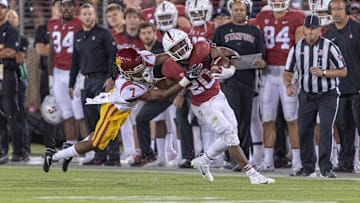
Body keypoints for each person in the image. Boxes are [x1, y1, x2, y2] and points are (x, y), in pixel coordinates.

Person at [146, 28, 275, 184]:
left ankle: (204, 160)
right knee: (229, 135)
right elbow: (166, 89)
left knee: (232, 133)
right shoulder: (170, 67)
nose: (180, 49)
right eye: (175, 48)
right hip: (203, 105)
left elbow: (230, 53)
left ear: (187, 41)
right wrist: (174, 80)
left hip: (219, 95)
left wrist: (230, 69)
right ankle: (252, 174)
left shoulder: (201, 48)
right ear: (169, 52)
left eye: (181, 44)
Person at [45, 47, 171, 171]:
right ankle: (54, 156)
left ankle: (69, 151)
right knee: (96, 142)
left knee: (99, 137)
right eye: (136, 71)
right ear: (126, 73)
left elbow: (160, 58)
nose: (141, 72)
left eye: (141, 67)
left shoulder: (143, 57)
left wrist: (180, 57)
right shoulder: (126, 86)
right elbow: (162, 94)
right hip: (113, 111)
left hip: (122, 111)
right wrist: (185, 81)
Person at [283, 14, 347, 178]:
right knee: (304, 130)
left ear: (320, 29)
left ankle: (326, 168)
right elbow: (288, 71)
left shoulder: (330, 47)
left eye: (314, 28)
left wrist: (324, 73)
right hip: (306, 95)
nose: (310, 32)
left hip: (327, 94)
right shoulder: (297, 47)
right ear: (304, 29)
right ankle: (307, 167)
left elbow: (343, 71)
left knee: (325, 128)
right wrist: (289, 85)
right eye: (308, 28)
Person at [212, 0, 266, 164]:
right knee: (231, 118)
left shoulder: (255, 31)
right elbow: (213, 53)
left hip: (248, 80)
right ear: (231, 10)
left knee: (245, 119)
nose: (238, 13)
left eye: (241, 10)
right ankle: (231, 157)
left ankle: (244, 157)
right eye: (235, 10)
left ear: (247, 10)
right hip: (228, 81)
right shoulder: (221, 30)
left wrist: (261, 63)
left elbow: (262, 56)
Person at [255, 0, 305, 172]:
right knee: (267, 119)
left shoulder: (297, 17)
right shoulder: (262, 16)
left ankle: (297, 160)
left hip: (287, 72)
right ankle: (268, 160)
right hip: (268, 72)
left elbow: (300, 47)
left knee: (292, 118)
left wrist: (294, 72)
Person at [68, 3, 118, 167]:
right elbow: (75, 61)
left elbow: (113, 56)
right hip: (86, 80)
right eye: (84, 14)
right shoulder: (78, 36)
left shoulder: (104, 34)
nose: (87, 17)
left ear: (95, 15)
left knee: (106, 118)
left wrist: (111, 77)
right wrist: (71, 83)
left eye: (90, 14)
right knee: (91, 120)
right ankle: (99, 154)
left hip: (102, 79)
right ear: (80, 17)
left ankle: (114, 155)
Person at [44, 0, 87, 172]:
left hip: (75, 72)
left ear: (74, 8)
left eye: (70, 5)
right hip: (58, 72)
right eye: (63, 5)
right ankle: (71, 148)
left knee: (79, 113)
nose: (66, 8)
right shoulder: (52, 24)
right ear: (58, 7)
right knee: (67, 113)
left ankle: (89, 150)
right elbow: (51, 51)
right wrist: (50, 76)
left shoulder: (79, 23)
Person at [325, 0, 360, 173]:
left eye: (339, 9)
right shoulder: (330, 33)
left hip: (358, 86)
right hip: (339, 88)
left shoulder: (358, 30)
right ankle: (346, 161)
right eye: (333, 9)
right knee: (343, 126)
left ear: (347, 10)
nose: (336, 12)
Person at [6, 9, 30, 162]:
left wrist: (10, 52)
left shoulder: (23, 39)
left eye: (13, 17)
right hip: (6, 79)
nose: (10, 19)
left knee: (19, 114)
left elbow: (20, 58)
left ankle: (24, 149)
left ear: (18, 20)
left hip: (18, 79)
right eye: (8, 16)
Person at [0, 0, 22, 163]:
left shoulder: (12, 30)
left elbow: (11, 52)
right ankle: (2, 150)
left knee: (11, 113)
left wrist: (5, 51)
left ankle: (19, 151)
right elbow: (4, 51)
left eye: (2, 7)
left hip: (7, 73)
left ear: (7, 10)